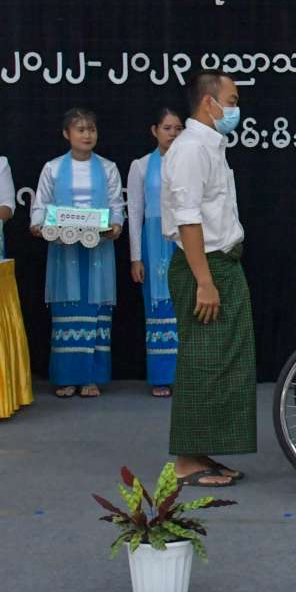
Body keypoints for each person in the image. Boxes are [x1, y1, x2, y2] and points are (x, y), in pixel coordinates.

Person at [161, 72, 253, 488]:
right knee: (202, 359)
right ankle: (185, 460)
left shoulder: (212, 145)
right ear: (208, 103)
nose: (235, 109)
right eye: (231, 101)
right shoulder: (190, 149)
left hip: (222, 263)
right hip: (203, 267)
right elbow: (188, 220)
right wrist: (204, 281)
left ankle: (199, 452)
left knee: (224, 359)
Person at [29, 108, 125, 399]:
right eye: (80, 130)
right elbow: (41, 203)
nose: (87, 135)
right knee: (67, 308)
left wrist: (116, 225)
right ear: (66, 134)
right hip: (65, 249)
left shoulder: (108, 168)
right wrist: (37, 224)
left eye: (91, 129)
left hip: (98, 250)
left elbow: (115, 204)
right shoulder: (53, 168)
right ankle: (67, 378)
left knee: (95, 308)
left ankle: (91, 378)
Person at [127, 107, 185, 398]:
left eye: (178, 128)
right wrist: (136, 257)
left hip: (185, 239)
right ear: (154, 130)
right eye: (167, 128)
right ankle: (162, 376)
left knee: (185, 305)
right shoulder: (140, 166)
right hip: (153, 242)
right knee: (158, 306)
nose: (173, 134)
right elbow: (135, 212)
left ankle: (186, 375)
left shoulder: (189, 162)